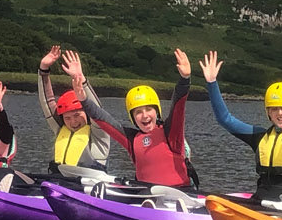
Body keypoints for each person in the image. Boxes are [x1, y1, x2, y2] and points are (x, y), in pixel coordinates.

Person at [202, 50, 282, 200]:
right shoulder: (260, 137)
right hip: (262, 201)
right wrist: (211, 83)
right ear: (268, 112)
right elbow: (225, 119)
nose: (280, 113)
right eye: (274, 108)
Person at [69, 48, 195, 188]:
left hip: (181, 194)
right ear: (133, 117)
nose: (145, 115)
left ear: (157, 112)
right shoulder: (131, 139)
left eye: (149, 110)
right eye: (138, 112)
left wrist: (184, 80)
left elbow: (178, 106)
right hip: (147, 196)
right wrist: (83, 99)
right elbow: (102, 119)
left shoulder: (170, 132)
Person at [37, 45, 111, 178]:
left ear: (87, 112)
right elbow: (47, 102)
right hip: (60, 185)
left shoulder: (99, 135)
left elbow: (97, 110)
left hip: (88, 189)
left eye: (77, 115)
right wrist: (43, 69)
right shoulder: (61, 129)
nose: (73, 122)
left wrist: (80, 78)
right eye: (67, 118)